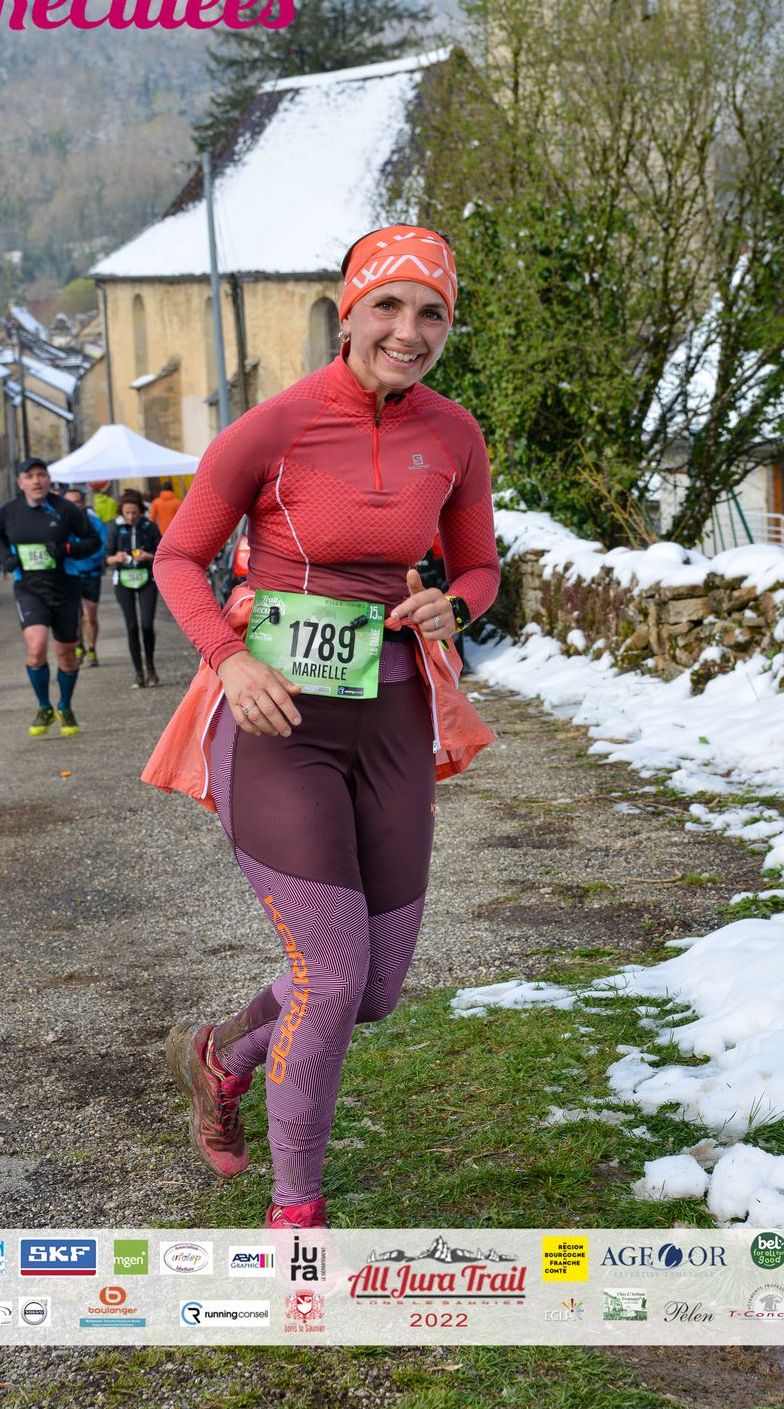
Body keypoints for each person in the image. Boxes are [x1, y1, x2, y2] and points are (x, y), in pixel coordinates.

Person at [148, 223, 500, 1231]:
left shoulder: (455, 435)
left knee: (375, 989)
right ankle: (296, 1209)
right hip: (280, 723)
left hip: (392, 719)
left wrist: (454, 605)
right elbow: (179, 558)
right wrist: (231, 658)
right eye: (388, 305)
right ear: (349, 312)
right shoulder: (274, 427)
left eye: (432, 312)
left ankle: (221, 1054)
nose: (409, 331)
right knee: (332, 973)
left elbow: (478, 566)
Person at [0, 457, 100, 737]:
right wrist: (6, 558)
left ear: (49, 480)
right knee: (36, 647)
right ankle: (44, 707)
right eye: (30, 476)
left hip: (65, 588)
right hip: (29, 589)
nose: (36, 481)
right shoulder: (9, 511)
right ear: (20, 483)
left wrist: (66, 549)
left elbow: (93, 541)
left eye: (41, 475)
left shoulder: (66, 509)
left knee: (66, 656)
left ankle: (65, 706)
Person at [105, 490, 162, 687]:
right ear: (121, 511)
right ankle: (138, 672)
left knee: (146, 624)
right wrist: (116, 558)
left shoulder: (149, 526)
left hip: (146, 578)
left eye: (134, 513)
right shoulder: (114, 527)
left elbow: (163, 552)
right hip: (123, 579)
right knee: (131, 626)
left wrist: (149, 556)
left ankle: (151, 667)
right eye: (127, 513)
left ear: (141, 511)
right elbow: (106, 557)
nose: (130, 517)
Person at [63, 487, 107, 665]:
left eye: (76, 502)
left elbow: (102, 547)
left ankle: (92, 648)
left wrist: (84, 555)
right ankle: (79, 645)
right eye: (68, 503)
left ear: (82, 503)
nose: (72, 506)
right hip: (70, 574)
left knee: (90, 616)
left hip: (91, 573)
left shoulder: (95, 522)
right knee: (76, 616)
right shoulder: (61, 523)